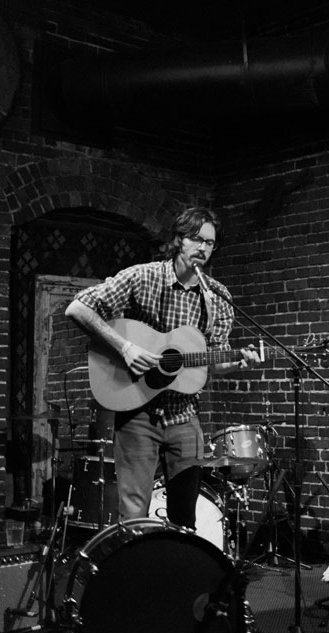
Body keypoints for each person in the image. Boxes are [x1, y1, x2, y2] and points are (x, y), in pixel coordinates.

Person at [65, 207, 260, 531]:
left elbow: (213, 362)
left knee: (185, 519)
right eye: (196, 239)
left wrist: (238, 362)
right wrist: (124, 347)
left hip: (184, 417)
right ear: (178, 240)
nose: (203, 248)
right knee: (134, 517)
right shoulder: (144, 278)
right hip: (137, 409)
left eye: (210, 243)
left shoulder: (218, 298)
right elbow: (78, 307)